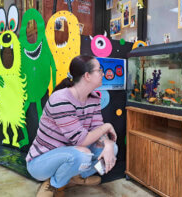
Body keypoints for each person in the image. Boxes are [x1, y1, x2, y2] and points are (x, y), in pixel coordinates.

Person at [26, 55, 118, 197]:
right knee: (82, 154)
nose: (103, 73)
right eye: (99, 70)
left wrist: (109, 144)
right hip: (41, 163)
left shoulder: (93, 98)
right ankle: (54, 183)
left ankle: (75, 177)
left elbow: (97, 127)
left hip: (73, 152)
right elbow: (81, 141)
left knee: (112, 148)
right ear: (87, 76)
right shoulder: (61, 99)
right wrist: (107, 127)